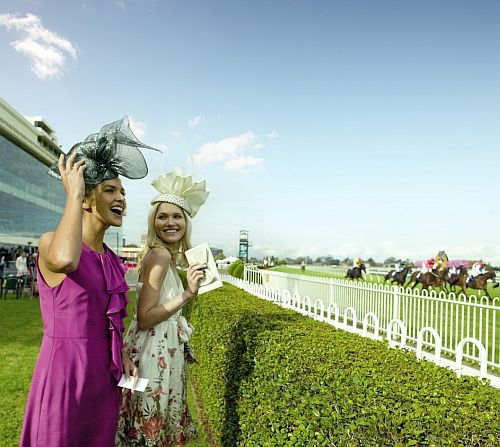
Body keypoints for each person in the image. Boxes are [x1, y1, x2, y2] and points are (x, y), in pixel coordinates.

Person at [19, 117, 161, 447]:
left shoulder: (111, 260)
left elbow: (111, 321)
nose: (121, 198)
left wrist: (122, 355)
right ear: (85, 199)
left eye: (123, 192)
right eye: (110, 190)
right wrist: (73, 194)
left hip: (103, 379)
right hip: (64, 377)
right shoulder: (50, 242)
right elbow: (66, 261)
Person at [116, 170, 209, 446]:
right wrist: (187, 294)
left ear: (186, 222)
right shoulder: (159, 255)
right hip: (151, 357)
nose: (170, 222)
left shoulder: (166, 256)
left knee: (146, 430)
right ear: (153, 221)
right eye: (163, 216)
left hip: (158, 352)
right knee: (149, 431)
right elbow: (145, 318)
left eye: (177, 216)